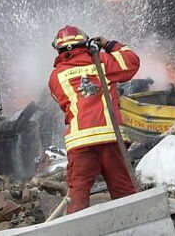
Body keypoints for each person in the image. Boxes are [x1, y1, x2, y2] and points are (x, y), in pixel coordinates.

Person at [47, 25, 140, 213]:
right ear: (85, 43)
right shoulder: (103, 62)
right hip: (111, 138)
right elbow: (132, 61)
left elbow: (62, 101)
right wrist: (109, 44)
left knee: (78, 195)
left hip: (81, 142)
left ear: (59, 50)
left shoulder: (56, 77)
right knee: (124, 193)